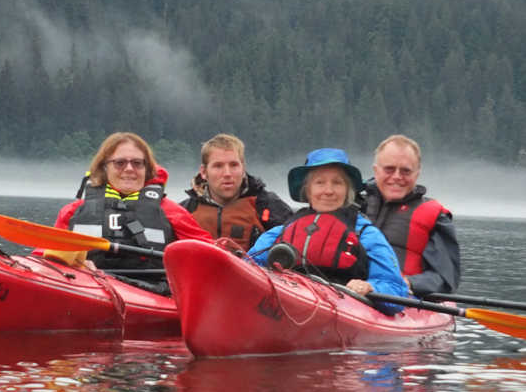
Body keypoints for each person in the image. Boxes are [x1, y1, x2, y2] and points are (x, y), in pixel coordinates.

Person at [249, 148, 408, 313]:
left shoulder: (366, 234)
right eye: (320, 182)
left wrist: (370, 286)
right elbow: (248, 269)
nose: (328, 191)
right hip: (288, 306)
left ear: (348, 190)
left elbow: (395, 288)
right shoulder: (278, 233)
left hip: (345, 311)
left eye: (337, 183)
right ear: (307, 190)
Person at [52, 132, 213, 285]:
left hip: (152, 290)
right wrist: (75, 266)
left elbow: (209, 254)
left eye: (137, 163)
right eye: (120, 163)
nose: (129, 169)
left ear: (147, 169)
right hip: (87, 284)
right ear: (105, 167)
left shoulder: (171, 212)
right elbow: (47, 258)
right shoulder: (72, 212)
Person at [362, 135, 460, 297]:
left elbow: (444, 278)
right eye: (389, 169)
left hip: (399, 300)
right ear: (375, 170)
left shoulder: (436, 218)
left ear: (417, 174)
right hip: (349, 291)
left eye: (406, 171)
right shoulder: (353, 205)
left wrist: (408, 283)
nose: (397, 177)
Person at [180, 133, 292, 250]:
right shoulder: (185, 211)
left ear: (243, 169)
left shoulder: (267, 205)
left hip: (252, 267)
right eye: (218, 166)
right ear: (203, 172)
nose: (227, 173)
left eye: (234, 165)